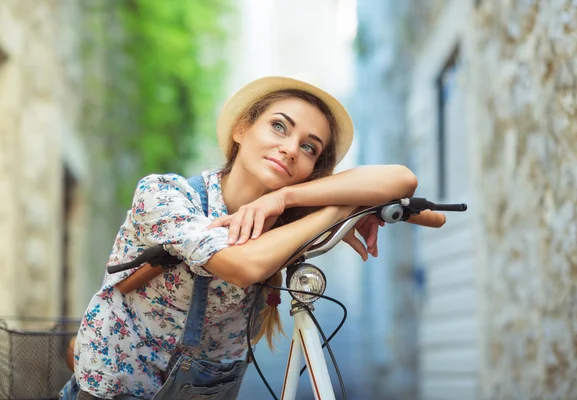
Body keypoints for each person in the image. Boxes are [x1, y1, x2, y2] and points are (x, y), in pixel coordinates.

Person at [60, 76, 421, 399]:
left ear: (312, 170)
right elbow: (242, 265)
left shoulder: (284, 222)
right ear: (241, 129)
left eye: (309, 147)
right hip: (118, 389)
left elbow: (403, 181)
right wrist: (340, 209)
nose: (291, 149)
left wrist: (285, 198)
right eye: (279, 127)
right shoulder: (166, 196)